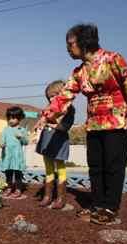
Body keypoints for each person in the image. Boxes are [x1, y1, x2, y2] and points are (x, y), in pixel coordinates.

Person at [37, 23, 127, 224]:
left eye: (71, 44)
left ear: (84, 42)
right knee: (95, 166)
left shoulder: (114, 59)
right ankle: (97, 205)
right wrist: (46, 115)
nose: (68, 48)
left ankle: (110, 208)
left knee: (113, 166)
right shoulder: (79, 72)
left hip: (117, 122)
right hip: (94, 123)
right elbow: (64, 96)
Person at [36, 80, 75, 209]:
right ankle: (47, 196)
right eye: (50, 96)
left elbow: (65, 127)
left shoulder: (69, 109)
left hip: (59, 141)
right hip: (47, 141)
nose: (52, 98)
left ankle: (60, 198)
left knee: (60, 167)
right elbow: (42, 120)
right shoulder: (48, 109)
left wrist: (53, 123)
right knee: (48, 168)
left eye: (55, 95)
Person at [0, 106, 29, 199]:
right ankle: (9, 188)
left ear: (19, 118)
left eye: (13, 118)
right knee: (8, 173)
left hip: (17, 156)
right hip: (7, 155)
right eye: (9, 118)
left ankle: (18, 189)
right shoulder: (5, 129)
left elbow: (26, 142)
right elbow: (1, 140)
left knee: (18, 174)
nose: (11, 120)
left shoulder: (22, 130)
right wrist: (2, 144)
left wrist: (21, 137)